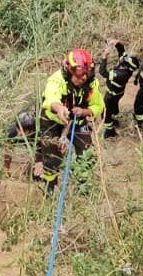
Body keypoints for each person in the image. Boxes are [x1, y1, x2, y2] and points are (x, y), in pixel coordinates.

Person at [33, 48, 105, 191]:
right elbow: (50, 99)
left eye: (86, 74)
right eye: (78, 75)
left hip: (78, 122)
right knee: (52, 158)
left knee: (87, 156)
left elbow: (98, 106)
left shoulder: (92, 84)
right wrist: (60, 109)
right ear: (69, 70)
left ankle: (83, 188)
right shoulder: (57, 80)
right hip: (53, 121)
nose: (82, 79)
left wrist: (85, 111)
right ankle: (49, 188)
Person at [97, 40, 140, 138]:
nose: (123, 58)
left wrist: (104, 57)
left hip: (111, 95)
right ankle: (114, 118)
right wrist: (117, 43)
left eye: (125, 60)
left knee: (106, 112)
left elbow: (103, 72)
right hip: (118, 93)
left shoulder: (120, 75)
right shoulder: (126, 68)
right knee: (114, 107)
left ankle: (109, 131)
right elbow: (121, 51)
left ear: (126, 65)